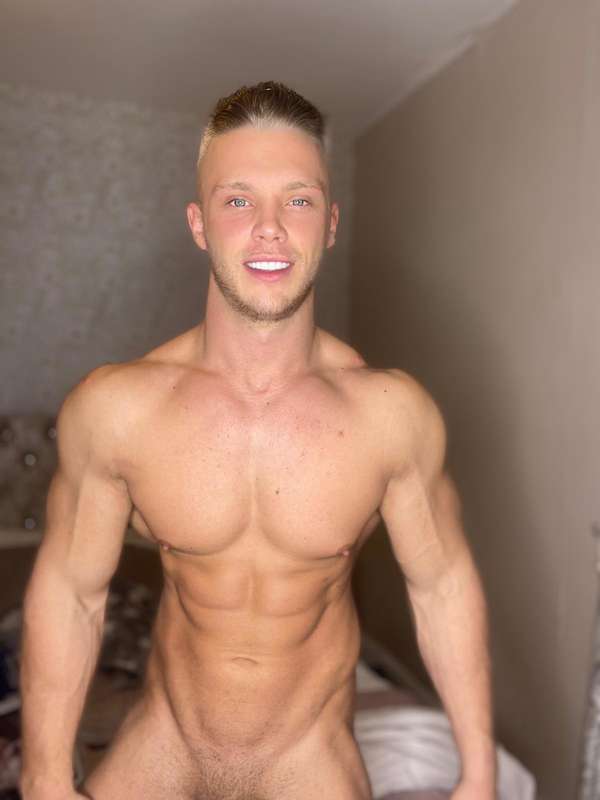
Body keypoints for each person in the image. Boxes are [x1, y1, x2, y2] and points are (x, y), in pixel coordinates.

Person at [19, 81, 496, 800]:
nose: (269, 228)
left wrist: (479, 777)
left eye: (298, 201)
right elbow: (70, 592)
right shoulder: (117, 410)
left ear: (329, 224)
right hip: (165, 744)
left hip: (310, 753)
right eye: (238, 200)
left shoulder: (391, 417)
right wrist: (45, 778)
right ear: (199, 224)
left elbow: (442, 587)